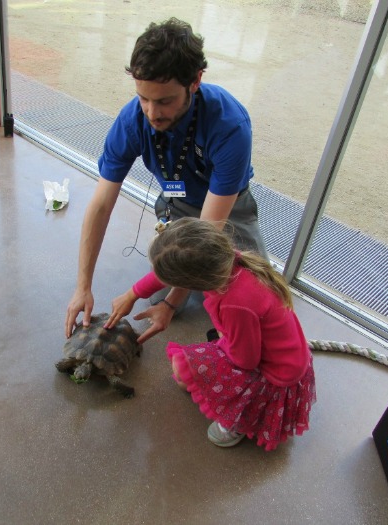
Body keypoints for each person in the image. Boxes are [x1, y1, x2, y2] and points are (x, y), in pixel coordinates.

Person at [65, 17, 268, 340]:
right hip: (176, 203)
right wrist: (82, 287)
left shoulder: (230, 124)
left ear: (196, 80)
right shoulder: (133, 118)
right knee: (177, 274)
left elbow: (206, 235)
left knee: (257, 299)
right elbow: (101, 204)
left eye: (164, 101)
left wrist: (172, 303)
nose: (151, 113)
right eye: (143, 98)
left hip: (227, 211)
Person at [108, 218, 316, 450]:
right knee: (185, 374)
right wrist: (132, 294)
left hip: (275, 374)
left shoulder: (235, 304)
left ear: (190, 282)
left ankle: (238, 419)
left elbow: (246, 360)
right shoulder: (222, 260)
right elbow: (170, 268)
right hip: (284, 352)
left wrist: (220, 343)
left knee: (182, 368)